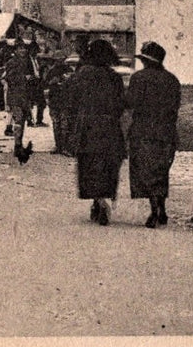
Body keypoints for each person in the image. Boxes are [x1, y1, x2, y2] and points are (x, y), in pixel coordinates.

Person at [65, 38, 127, 225]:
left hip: (87, 126)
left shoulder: (81, 75)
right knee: (108, 163)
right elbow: (120, 104)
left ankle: (97, 200)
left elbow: (70, 101)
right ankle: (102, 198)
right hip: (109, 127)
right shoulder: (114, 77)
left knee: (89, 164)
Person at [126, 40, 181, 228]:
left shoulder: (138, 78)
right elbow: (175, 107)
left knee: (145, 171)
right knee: (161, 171)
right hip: (166, 132)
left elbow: (130, 102)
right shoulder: (172, 79)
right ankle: (162, 209)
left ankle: (154, 210)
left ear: (146, 60)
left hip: (143, 131)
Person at [4, 41, 34, 163]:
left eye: (24, 48)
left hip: (25, 96)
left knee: (22, 121)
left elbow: (31, 76)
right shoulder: (12, 62)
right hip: (15, 96)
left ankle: (19, 143)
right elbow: (9, 78)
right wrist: (24, 78)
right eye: (20, 48)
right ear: (15, 50)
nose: (23, 51)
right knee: (18, 119)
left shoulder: (27, 61)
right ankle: (17, 146)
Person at [45, 57, 73, 155]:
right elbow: (44, 84)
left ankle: (64, 146)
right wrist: (51, 82)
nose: (60, 61)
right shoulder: (52, 71)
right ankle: (59, 146)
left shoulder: (69, 71)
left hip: (64, 101)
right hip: (55, 101)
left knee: (64, 125)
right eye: (58, 60)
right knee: (57, 124)